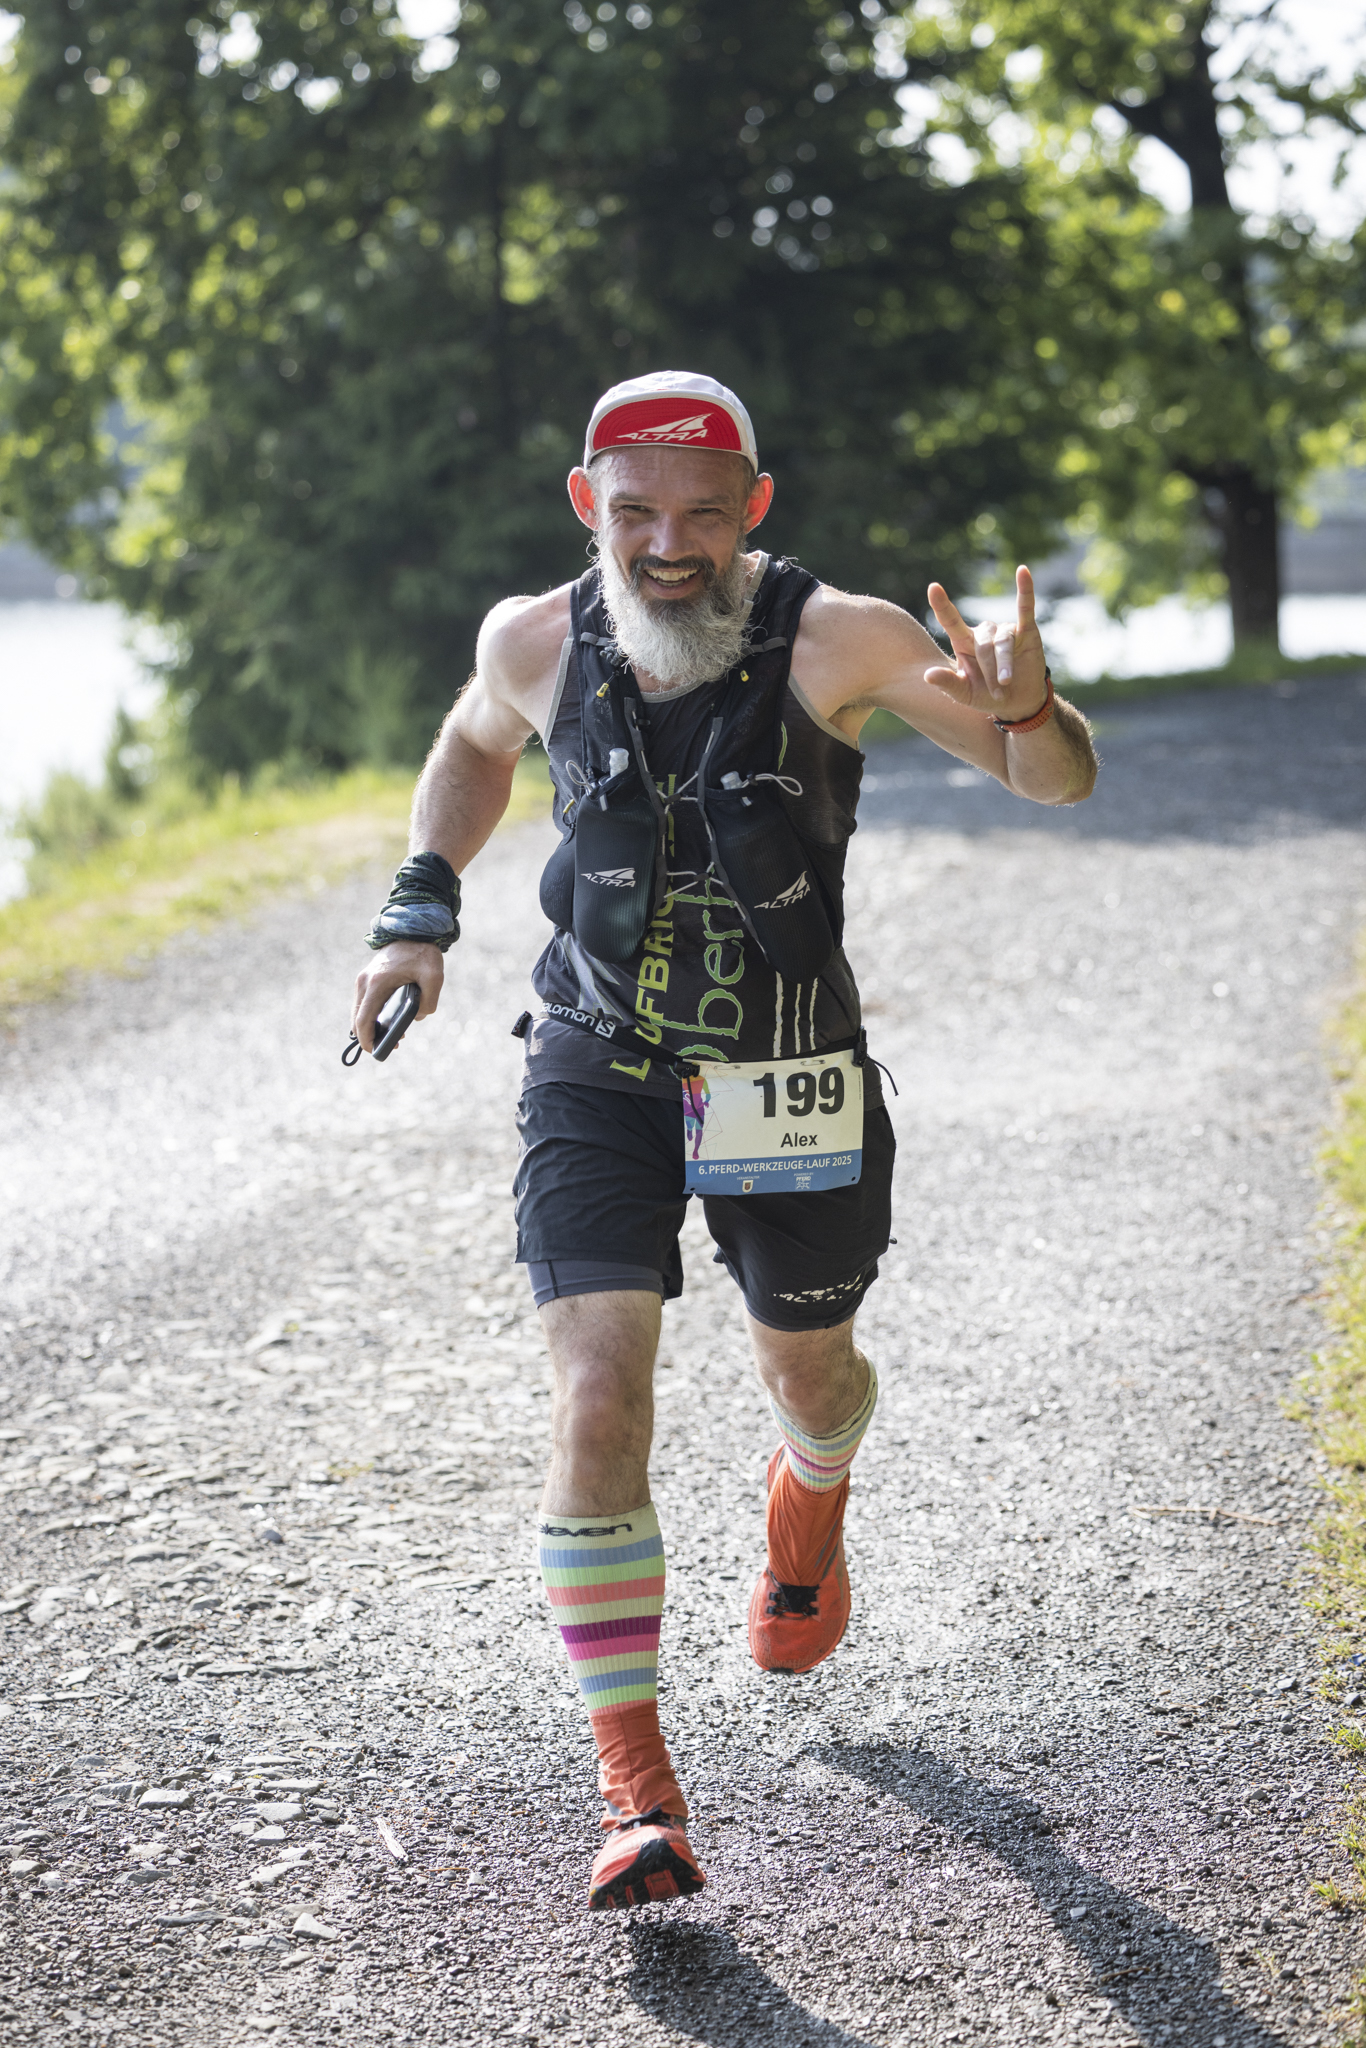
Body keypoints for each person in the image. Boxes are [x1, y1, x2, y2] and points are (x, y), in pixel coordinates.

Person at [351, 372, 1098, 1910]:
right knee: (594, 1393)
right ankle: (636, 1794)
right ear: (588, 505)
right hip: (596, 1060)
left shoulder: (842, 640)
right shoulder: (531, 639)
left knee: (809, 1374)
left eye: (702, 513)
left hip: (786, 1067)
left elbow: (1052, 781)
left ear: (752, 507)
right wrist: (419, 906)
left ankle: (809, 1492)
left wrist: (1028, 705)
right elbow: (473, 743)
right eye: (634, 512)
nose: (667, 545)